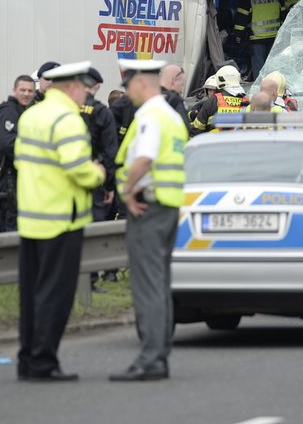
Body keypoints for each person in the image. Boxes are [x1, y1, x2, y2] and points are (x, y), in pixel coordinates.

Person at [15, 61, 106, 382]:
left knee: (31, 295)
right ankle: (43, 362)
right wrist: (98, 173)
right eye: (84, 87)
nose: (87, 93)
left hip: (31, 220)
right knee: (55, 295)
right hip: (61, 222)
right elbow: (77, 169)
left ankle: (27, 359)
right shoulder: (68, 119)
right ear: (71, 87)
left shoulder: (31, 115)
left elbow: (20, 162)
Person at [110, 59, 188, 382]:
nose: (128, 94)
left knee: (147, 286)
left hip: (148, 209)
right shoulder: (171, 116)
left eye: (128, 87)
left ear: (141, 83)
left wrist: (127, 192)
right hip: (168, 207)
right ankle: (159, 354)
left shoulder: (150, 115)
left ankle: (151, 358)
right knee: (160, 283)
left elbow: (144, 158)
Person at [80, 66, 119, 291]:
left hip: (67, 181)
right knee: (94, 228)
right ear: (96, 86)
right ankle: (91, 280)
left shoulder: (67, 108)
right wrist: (110, 185)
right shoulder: (101, 112)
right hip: (94, 180)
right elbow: (110, 151)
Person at [0, 74, 36, 233]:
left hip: (16, 177)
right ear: (14, 90)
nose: (26, 94)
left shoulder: (24, 111)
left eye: (30, 90)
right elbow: (7, 143)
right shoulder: (9, 111)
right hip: (8, 177)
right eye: (22, 90)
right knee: (11, 223)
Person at [111, 63, 190, 141]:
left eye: (129, 87)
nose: (181, 90)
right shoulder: (173, 103)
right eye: (182, 85)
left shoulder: (131, 103)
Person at [234, 0, 282, 79]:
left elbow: (242, 16)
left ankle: (260, 91)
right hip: (274, 36)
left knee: (259, 69)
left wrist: (238, 35)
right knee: (273, 68)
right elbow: (283, 11)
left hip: (256, 38)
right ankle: (275, 89)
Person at [190, 65, 248, 135]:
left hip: (214, 142)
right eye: (209, 90)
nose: (211, 92)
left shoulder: (213, 100)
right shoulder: (246, 101)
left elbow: (198, 127)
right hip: (239, 143)